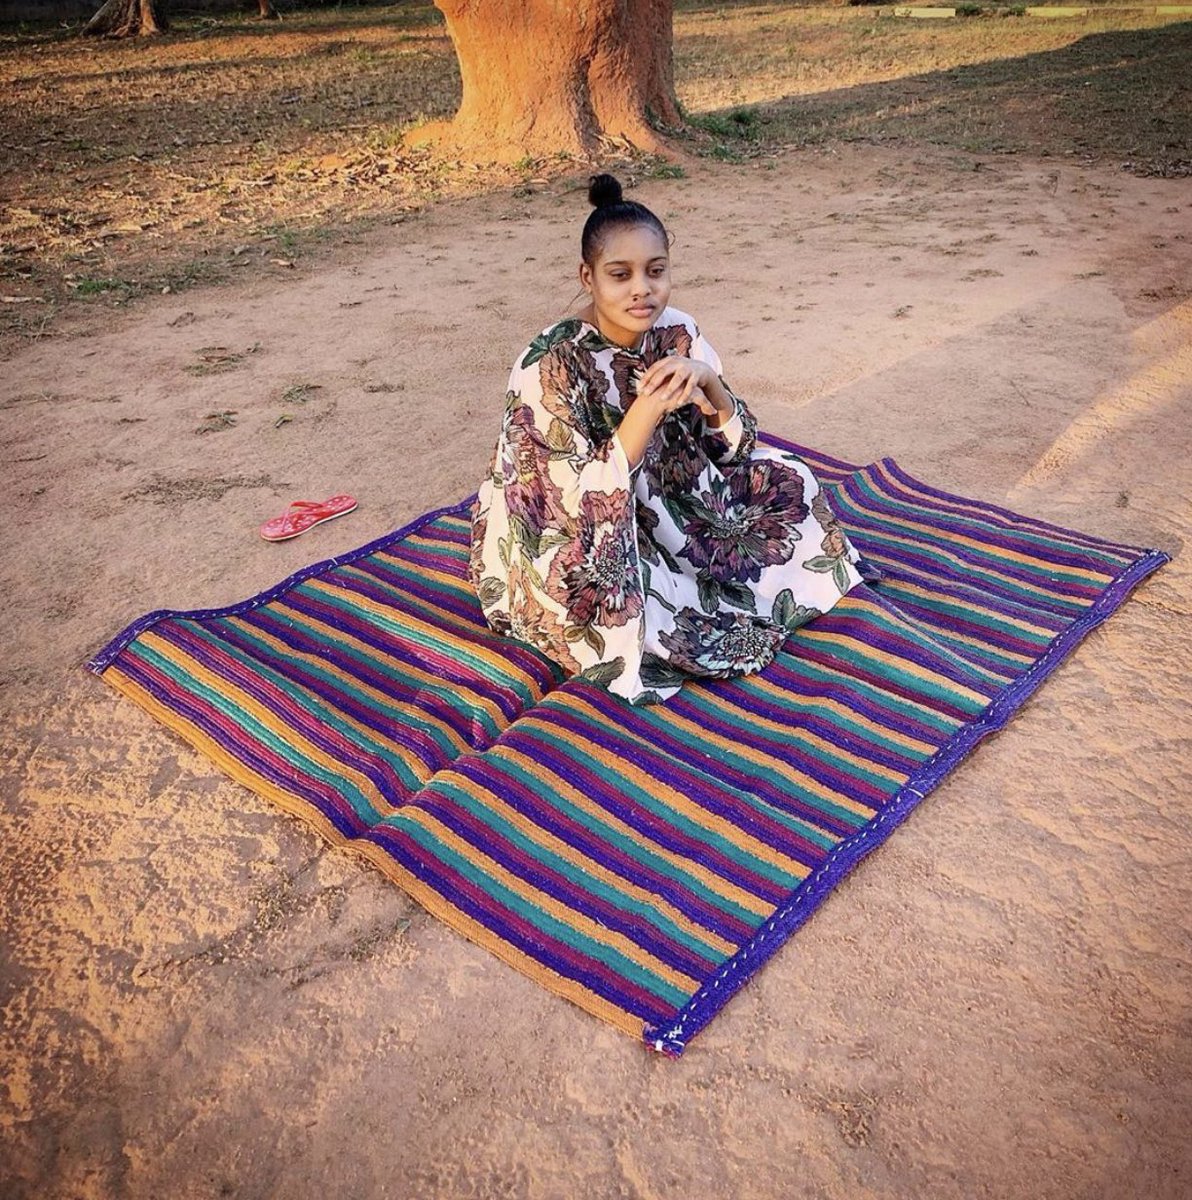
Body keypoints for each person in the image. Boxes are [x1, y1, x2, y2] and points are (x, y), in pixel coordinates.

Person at [468, 173, 877, 706]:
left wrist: (708, 384)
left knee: (792, 480)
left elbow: (734, 449)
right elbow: (568, 504)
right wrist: (647, 407)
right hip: (577, 525)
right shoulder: (548, 363)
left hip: (672, 498)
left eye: (656, 271)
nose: (642, 289)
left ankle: (704, 576)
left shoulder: (678, 331)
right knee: (614, 585)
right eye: (621, 275)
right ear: (588, 277)